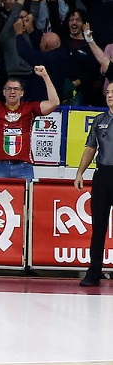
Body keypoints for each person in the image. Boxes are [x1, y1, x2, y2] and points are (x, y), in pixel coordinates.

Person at [0, 63, 59, 180]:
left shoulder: (30, 108)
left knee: (26, 193)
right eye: (9, 89)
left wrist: (45, 76)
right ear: (3, 92)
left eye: (16, 89)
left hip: (24, 166)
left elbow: (54, 102)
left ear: (22, 93)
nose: (12, 92)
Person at [73, 84, 113, 287]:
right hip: (103, 175)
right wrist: (80, 172)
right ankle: (94, 271)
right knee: (98, 226)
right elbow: (90, 148)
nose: (110, 96)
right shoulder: (99, 120)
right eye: (108, 92)